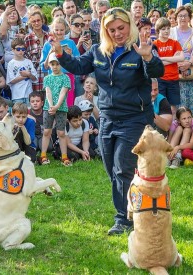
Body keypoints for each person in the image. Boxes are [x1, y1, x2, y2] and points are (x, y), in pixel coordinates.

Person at [55, 7, 164, 235]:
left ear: (129, 26)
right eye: (111, 29)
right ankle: (138, 204)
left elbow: (158, 71)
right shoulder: (97, 51)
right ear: (105, 31)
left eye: (121, 28)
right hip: (107, 119)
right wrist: (60, 54)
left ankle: (124, 219)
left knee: (122, 169)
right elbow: (77, 66)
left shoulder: (139, 50)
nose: (117, 33)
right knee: (111, 171)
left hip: (134, 119)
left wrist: (148, 56)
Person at [40, 17, 80, 107]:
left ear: (65, 29)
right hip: (53, 77)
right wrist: (50, 52)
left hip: (67, 76)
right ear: (52, 30)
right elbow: (44, 67)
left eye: (61, 30)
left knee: (68, 104)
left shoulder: (70, 43)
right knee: (53, 103)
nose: (59, 32)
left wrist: (70, 55)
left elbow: (78, 62)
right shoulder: (47, 44)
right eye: (56, 30)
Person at [40, 53, 71, 166]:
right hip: (48, 108)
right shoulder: (47, 78)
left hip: (61, 108)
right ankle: (43, 155)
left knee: (61, 132)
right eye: (52, 64)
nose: (55, 66)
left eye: (57, 64)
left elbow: (63, 92)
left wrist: (57, 106)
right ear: (49, 65)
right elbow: (48, 92)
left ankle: (64, 156)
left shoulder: (65, 78)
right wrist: (51, 106)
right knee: (47, 131)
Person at [172, 6, 193, 114]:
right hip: (174, 74)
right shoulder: (171, 32)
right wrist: (180, 65)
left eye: (185, 16)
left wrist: (188, 63)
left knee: (190, 105)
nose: (183, 18)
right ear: (176, 18)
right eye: (180, 16)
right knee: (175, 105)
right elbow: (167, 51)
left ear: (189, 18)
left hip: (191, 72)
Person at [153, 17, 184, 119]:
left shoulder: (175, 43)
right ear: (158, 31)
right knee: (161, 106)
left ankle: (172, 130)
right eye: (163, 29)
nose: (166, 31)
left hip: (173, 79)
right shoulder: (155, 44)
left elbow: (181, 58)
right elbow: (156, 63)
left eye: (168, 28)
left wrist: (162, 58)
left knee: (173, 108)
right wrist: (173, 58)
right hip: (160, 79)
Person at [7, 38, 37, 104]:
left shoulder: (29, 62)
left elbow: (35, 78)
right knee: (18, 113)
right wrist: (25, 75)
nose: (21, 51)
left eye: (23, 49)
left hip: (29, 94)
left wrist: (29, 74)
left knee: (29, 113)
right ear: (13, 50)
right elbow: (11, 80)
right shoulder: (11, 63)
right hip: (17, 96)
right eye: (18, 49)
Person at [24, 11, 49, 93]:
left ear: (42, 21)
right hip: (36, 78)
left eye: (38, 20)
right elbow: (25, 60)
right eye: (34, 21)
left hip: (50, 74)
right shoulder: (27, 39)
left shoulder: (50, 37)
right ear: (30, 23)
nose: (37, 23)